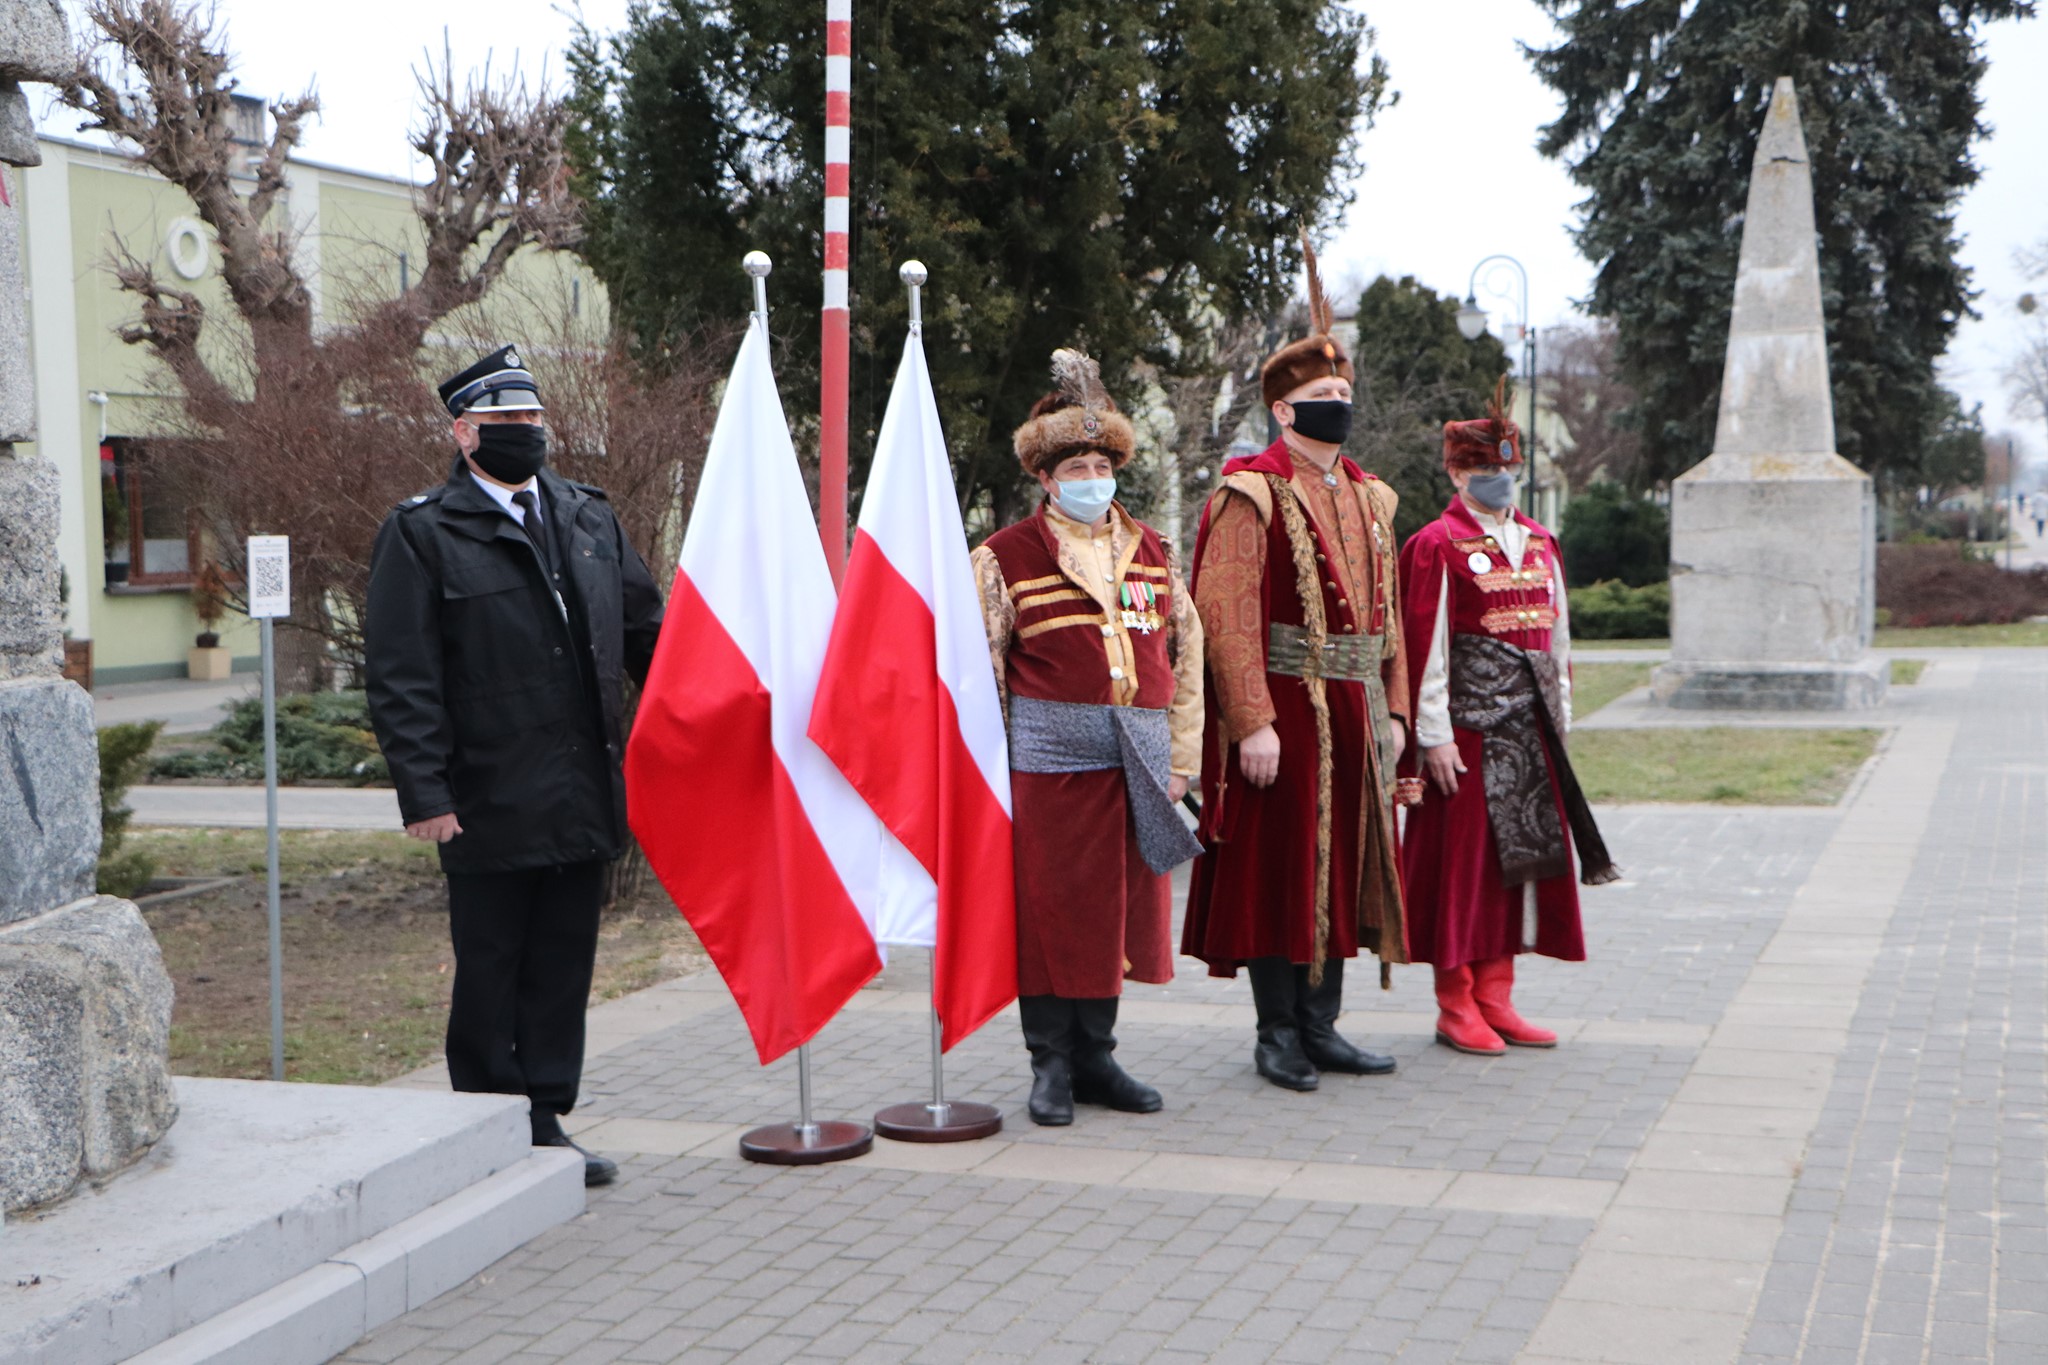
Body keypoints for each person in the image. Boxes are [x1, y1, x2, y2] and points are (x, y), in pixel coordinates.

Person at [365, 345, 665, 1185]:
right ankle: (489, 1121)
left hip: (581, 788)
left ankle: (544, 1118)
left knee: (563, 965)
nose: (525, 431)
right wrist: (425, 792)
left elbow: (648, 633)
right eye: (505, 420)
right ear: (464, 433)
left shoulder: (586, 515)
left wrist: (727, 704)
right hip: (488, 795)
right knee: (493, 965)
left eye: (532, 417)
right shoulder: (423, 531)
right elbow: (402, 675)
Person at [1181, 248, 1412, 1093]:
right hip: (1284, 707)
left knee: (1345, 863)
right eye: (1321, 394)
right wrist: (1252, 721)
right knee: (1280, 871)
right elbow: (1226, 614)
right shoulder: (1251, 493)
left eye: (1345, 392)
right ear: (1283, 410)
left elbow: (1390, 617)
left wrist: (1395, 709)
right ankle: (1277, 1031)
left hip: (1354, 707)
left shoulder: (1372, 496)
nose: (1338, 403)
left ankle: (1323, 1025)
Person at [970, 349, 1205, 1126]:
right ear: (1046, 477)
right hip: (1048, 764)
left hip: (1139, 759)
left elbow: (1187, 659)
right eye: (1076, 466)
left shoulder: (1156, 553)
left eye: (1102, 464)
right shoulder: (1003, 558)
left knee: (1118, 914)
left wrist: (1181, 761)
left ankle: (1098, 1057)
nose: (1092, 477)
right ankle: (1051, 1061)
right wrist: (990, 771)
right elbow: (979, 671)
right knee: (1050, 913)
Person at [1396, 381, 1617, 1056]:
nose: (1498, 478)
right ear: (1456, 473)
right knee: (1460, 873)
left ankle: (1497, 996)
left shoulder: (1541, 542)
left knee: (1517, 868)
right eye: (1483, 468)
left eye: (1507, 467)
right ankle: (1455, 1002)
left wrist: (1561, 722)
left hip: (1531, 731)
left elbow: (1559, 641)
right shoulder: (1436, 545)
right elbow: (1425, 646)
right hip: (1466, 733)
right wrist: (1433, 737)